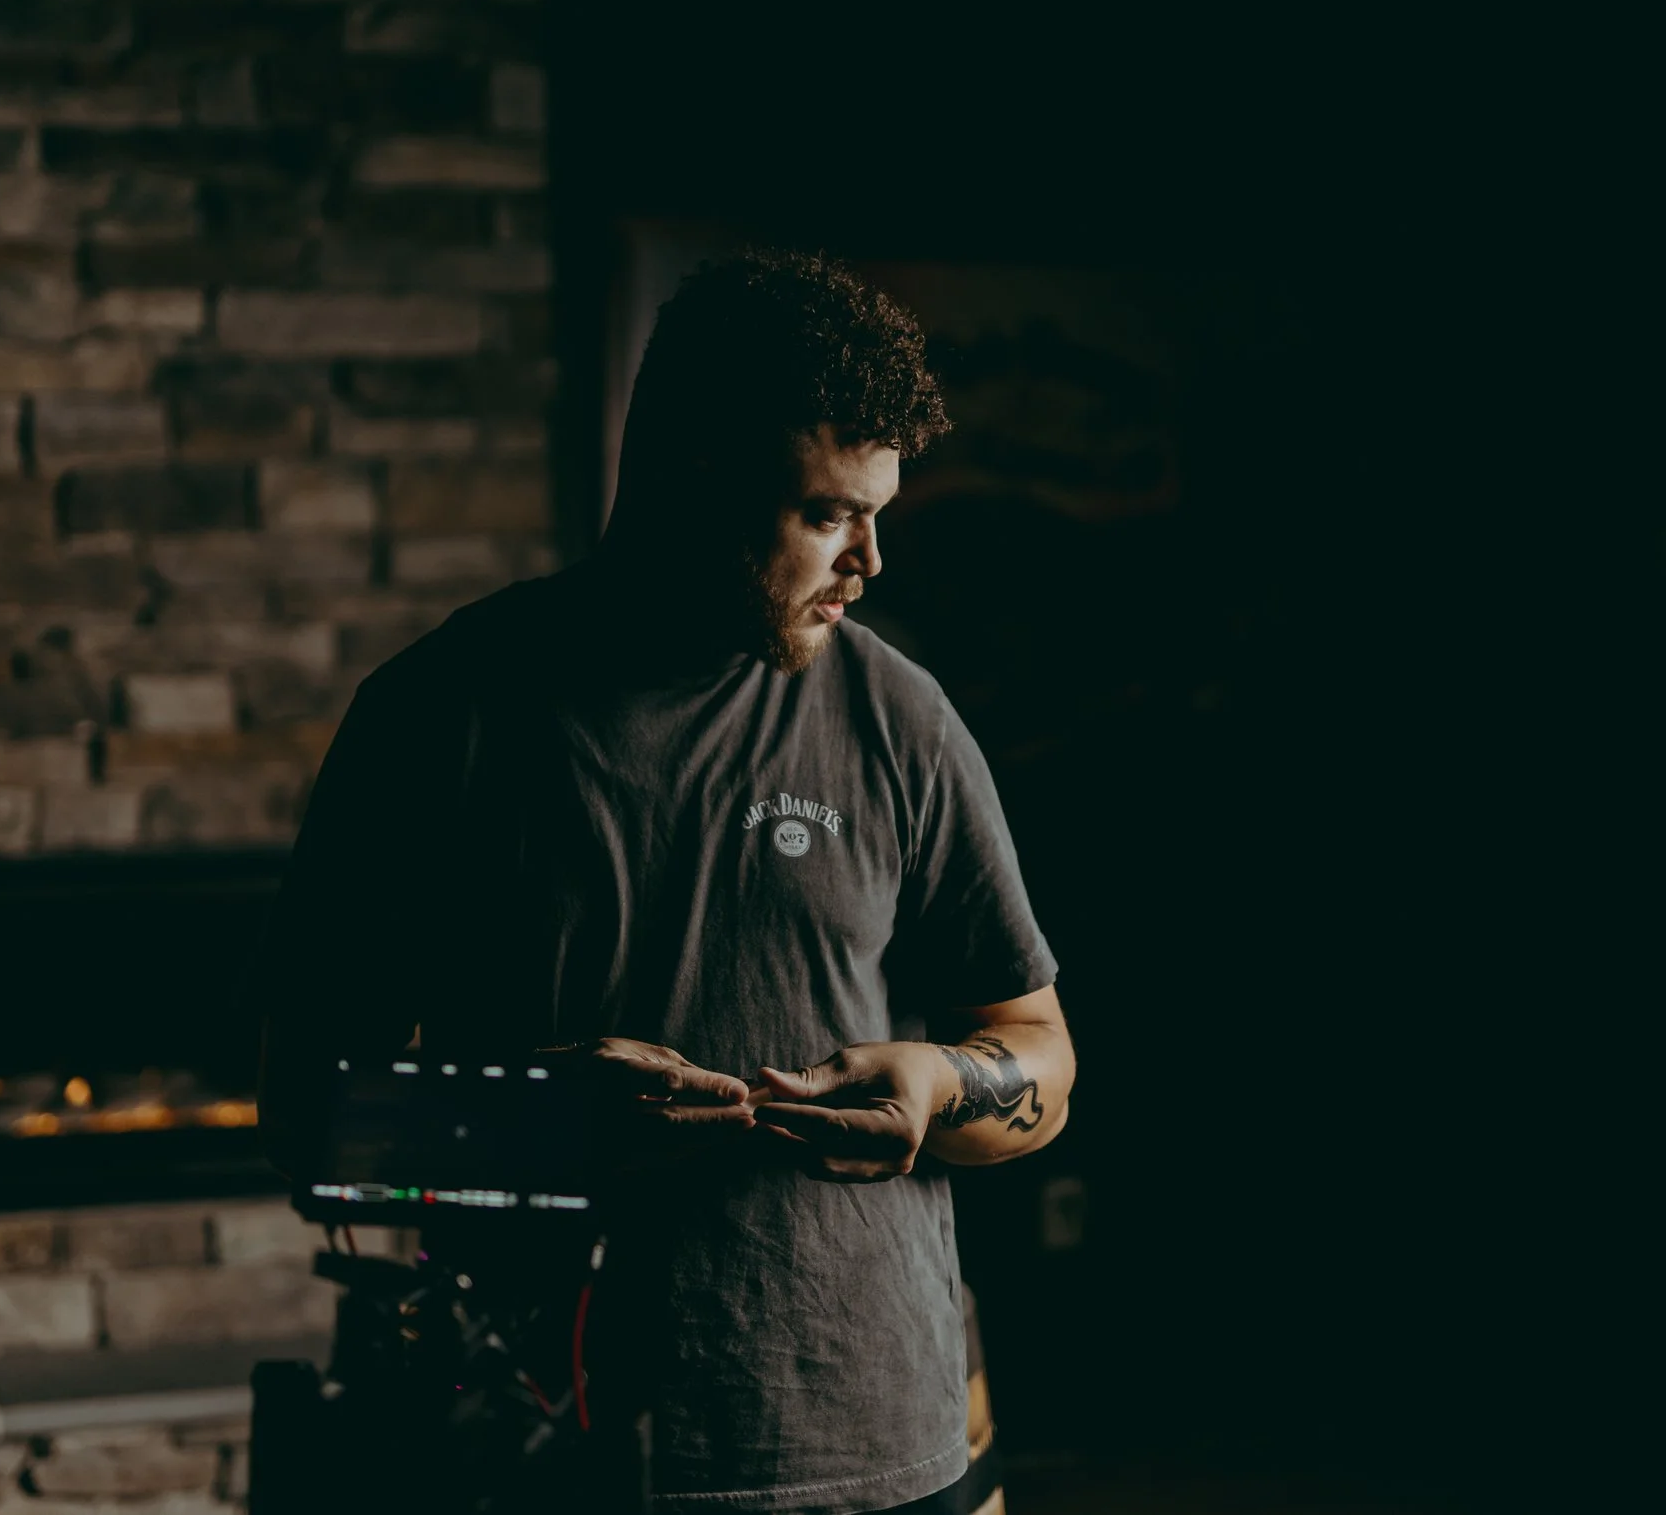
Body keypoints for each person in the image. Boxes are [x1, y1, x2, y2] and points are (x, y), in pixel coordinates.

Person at [259, 248, 1075, 1515]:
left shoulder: (901, 718)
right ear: (693, 468)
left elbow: (1038, 1051)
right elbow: (306, 1121)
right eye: (825, 513)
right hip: (548, 1463)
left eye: (879, 513)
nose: (870, 561)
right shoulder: (438, 717)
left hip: (890, 1454)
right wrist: (544, 1128)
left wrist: (938, 1080)